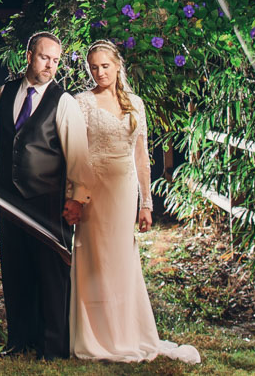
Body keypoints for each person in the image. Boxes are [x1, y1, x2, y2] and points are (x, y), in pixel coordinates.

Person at [68, 40, 202, 363]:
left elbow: (142, 157)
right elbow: (76, 154)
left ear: (117, 66)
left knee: (121, 259)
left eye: (105, 66)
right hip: (94, 190)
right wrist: (76, 195)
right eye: (94, 67)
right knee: (93, 260)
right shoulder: (81, 102)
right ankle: (95, 335)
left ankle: (126, 331)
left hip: (124, 190)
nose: (100, 72)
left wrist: (146, 203)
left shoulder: (136, 104)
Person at [0, 31, 92, 359]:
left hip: (47, 199)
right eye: (45, 57)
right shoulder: (5, 92)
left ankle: (53, 346)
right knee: (15, 270)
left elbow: (79, 156)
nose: (50, 65)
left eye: (56, 60)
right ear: (29, 55)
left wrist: (77, 198)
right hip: (9, 198)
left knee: (51, 273)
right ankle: (19, 340)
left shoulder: (64, 101)